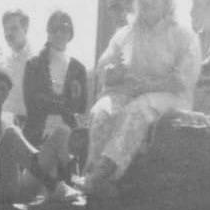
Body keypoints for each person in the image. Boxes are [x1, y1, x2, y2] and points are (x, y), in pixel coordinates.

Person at [83, 0, 201, 195]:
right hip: (132, 93)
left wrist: (147, 86)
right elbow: (103, 70)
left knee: (138, 108)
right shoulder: (126, 34)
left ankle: (105, 172)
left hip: (171, 98)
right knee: (102, 109)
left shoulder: (183, 35)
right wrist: (112, 72)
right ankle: (92, 173)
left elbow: (182, 80)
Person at [0, 68, 81, 204]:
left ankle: (74, 183)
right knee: (11, 134)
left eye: (3, 89)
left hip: (17, 183)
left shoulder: (10, 118)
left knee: (62, 131)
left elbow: (22, 157)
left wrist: (44, 157)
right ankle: (54, 186)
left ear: (7, 93)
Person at [23, 10, 90, 147]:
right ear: (48, 32)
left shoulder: (78, 69)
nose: (59, 33)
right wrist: (65, 104)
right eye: (54, 29)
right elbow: (32, 102)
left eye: (64, 28)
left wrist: (56, 103)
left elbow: (81, 106)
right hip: (37, 134)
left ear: (71, 33)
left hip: (69, 132)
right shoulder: (33, 64)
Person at [2, 8, 34, 122]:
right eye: (6, 29)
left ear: (25, 29)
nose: (8, 33)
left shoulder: (37, 60)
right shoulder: (2, 60)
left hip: (27, 124)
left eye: (14, 28)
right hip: (2, 121)